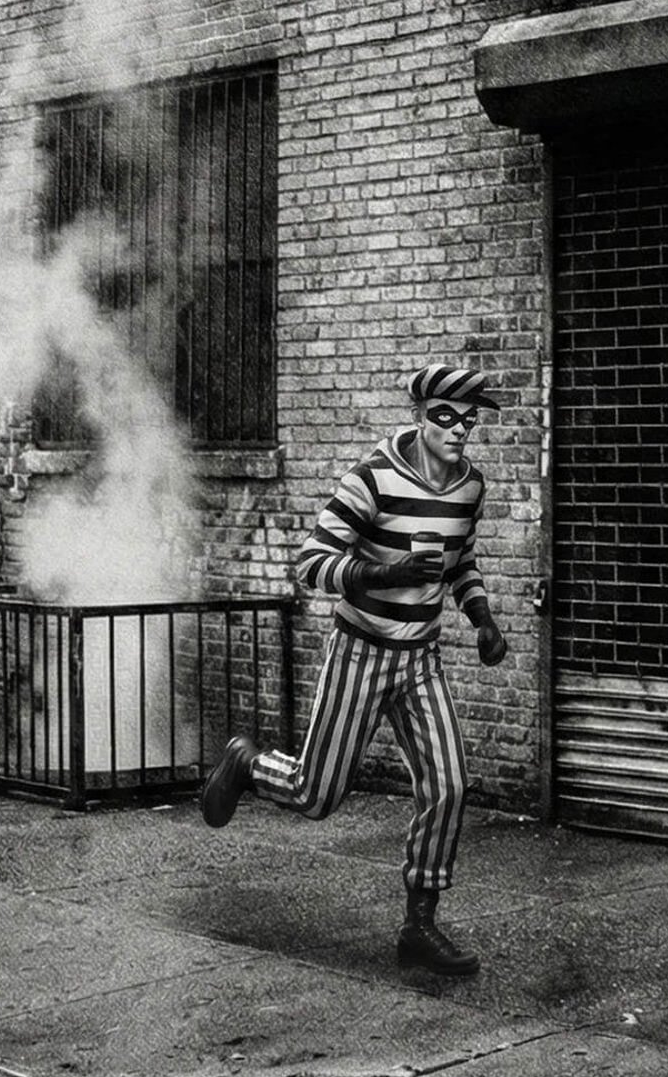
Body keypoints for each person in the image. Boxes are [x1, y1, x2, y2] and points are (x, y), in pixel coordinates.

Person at [198, 363, 509, 977]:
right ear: (420, 417)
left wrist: (481, 618)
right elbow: (311, 564)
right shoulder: (371, 479)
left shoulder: (471, 486)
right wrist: (381, 574)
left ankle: (420, 924)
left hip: (420, 657)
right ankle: (248, 763)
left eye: (469, 419)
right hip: (360, 652)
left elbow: (462, 560)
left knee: (449, 785)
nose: (460, 429)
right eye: (446, 416)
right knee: (317, 795)